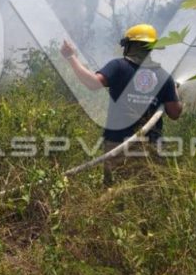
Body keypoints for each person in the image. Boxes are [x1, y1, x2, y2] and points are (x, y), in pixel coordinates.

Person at [61, 24, 183, 186]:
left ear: (129, 45)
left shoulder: (118, 66)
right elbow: (175, 113)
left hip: (117, 143)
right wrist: (175, 92)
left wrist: (71, 57)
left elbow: (92, 83)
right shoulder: (164, 76)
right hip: (151, 147)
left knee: (114, 190)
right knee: (146, 192)